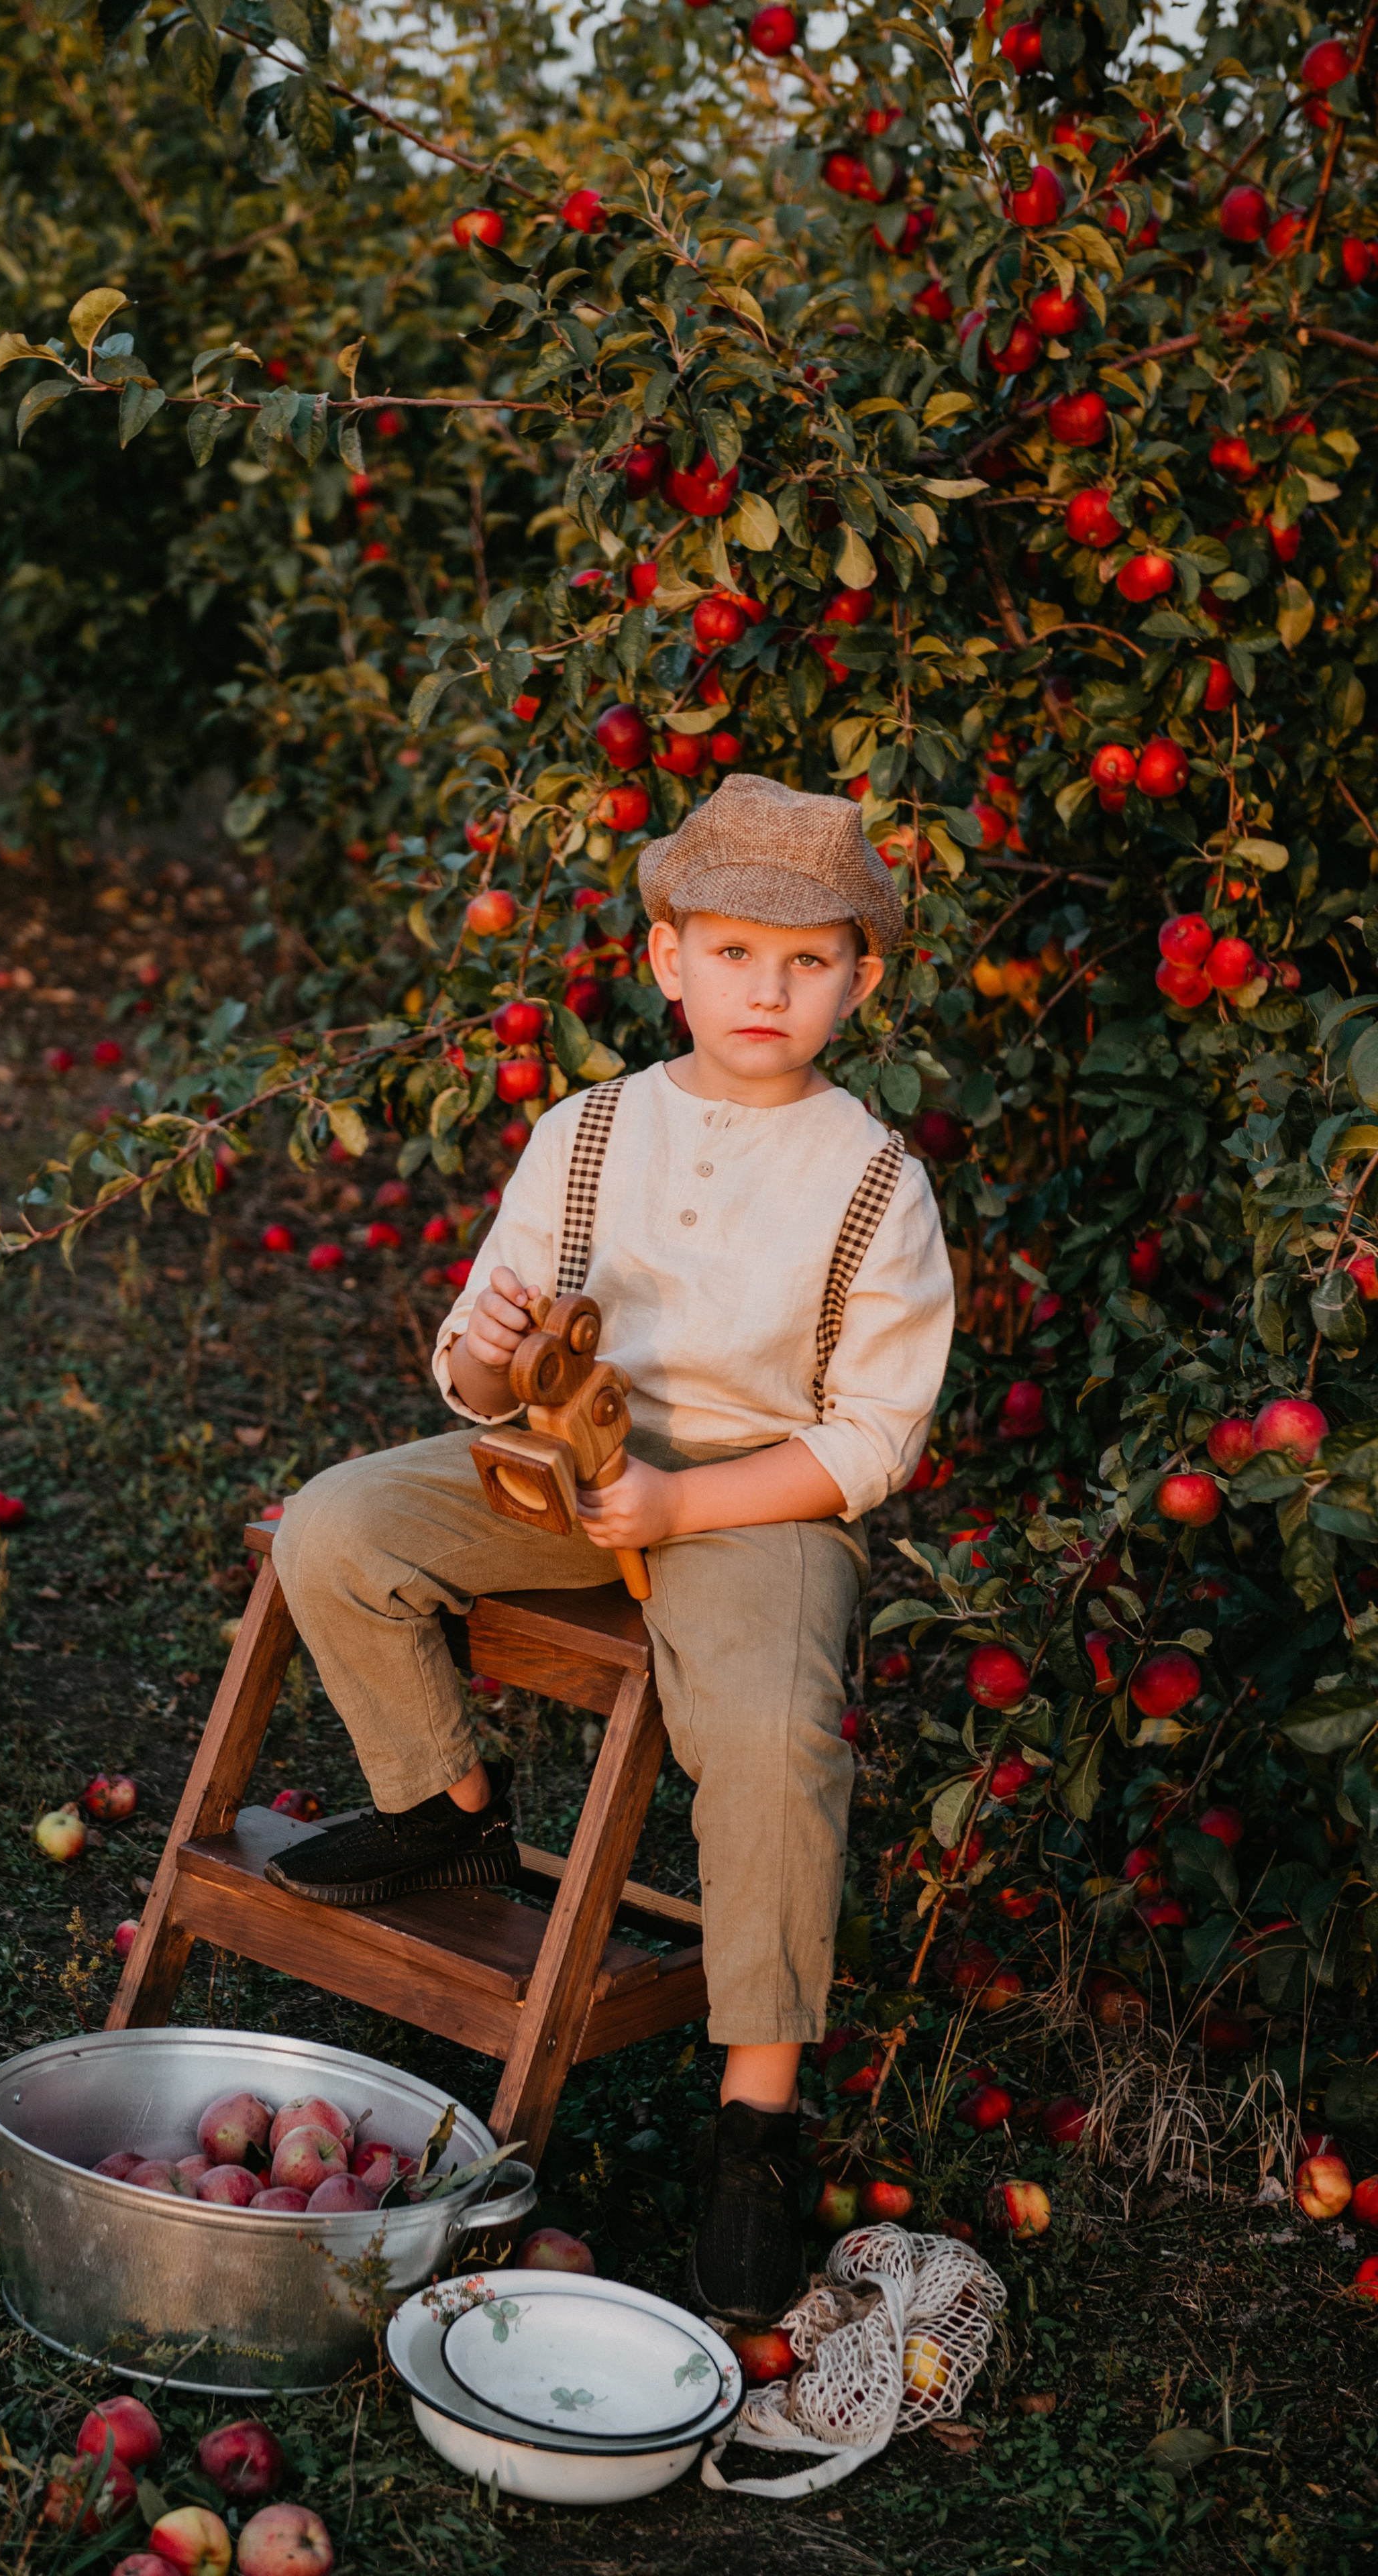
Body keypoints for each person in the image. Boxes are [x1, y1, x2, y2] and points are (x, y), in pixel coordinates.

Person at [269, 771, 955, 2322]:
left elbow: (869, 1441)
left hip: (753, 1492)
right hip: (557, 1459)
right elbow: (471, 1363)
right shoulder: (588, 1133)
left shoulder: (871, 1181)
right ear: (665, 960)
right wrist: (499, 1357)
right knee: (336, 1527)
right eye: (730, 953)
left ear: (859, 978)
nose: (763, 989)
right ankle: (441, 1800)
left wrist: (680, 1508)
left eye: (804, 961)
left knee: (771, 1739)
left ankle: (755, 2116)